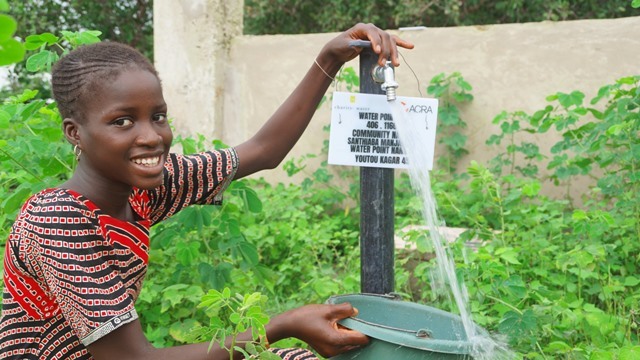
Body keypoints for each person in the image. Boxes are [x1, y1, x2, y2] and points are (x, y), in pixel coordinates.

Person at [0, 23, 413, 360]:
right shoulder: (58, 221)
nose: (151, 137)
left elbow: (262, 152)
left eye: (157, 116)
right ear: (76, 133)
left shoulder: (142, 189)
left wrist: (328, 59)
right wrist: (283, 326)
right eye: (123, 121)